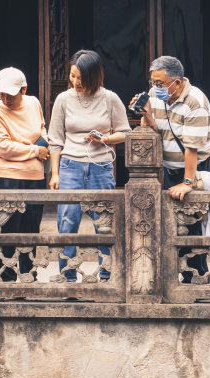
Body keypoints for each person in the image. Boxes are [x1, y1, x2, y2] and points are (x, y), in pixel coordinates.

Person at [130, 55, 210, 283]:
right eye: (152, 83)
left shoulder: (195, 101)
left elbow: (192, 148)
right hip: (172, 169)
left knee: (194, 224)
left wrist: (188, 183)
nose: (155, 88)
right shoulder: (156, 96)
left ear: (177, 83)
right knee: (174, 226)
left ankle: (197, 279)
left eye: (160, 84)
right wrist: (146, 112)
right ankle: (181, 278)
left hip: (196, 167)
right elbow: (159, 132)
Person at [48, 49, 130, 282]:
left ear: (95, 76)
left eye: (81, 78)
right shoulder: (63, 99)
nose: (75, 82)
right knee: (67, 219)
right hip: (70, 164)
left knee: (104, 221)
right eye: (72, 76)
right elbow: (55, 138)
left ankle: (107, 273)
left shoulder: (110, 98)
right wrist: (55, 173)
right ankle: (68, 273)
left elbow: (125, 132)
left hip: (101, 165)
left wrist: (103, 139)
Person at [0, 67, 48, 282]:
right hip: (7, 176)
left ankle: (29, 274)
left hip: (34, 175)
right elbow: (3, 147)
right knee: (8, 229)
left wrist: (43, 144)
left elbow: (42, 130)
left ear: (24, 90)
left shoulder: (33, 103)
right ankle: (7, 277)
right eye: (1, 94)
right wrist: (34, 151)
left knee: (31, 228)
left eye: (10, 94)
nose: (5, 99)